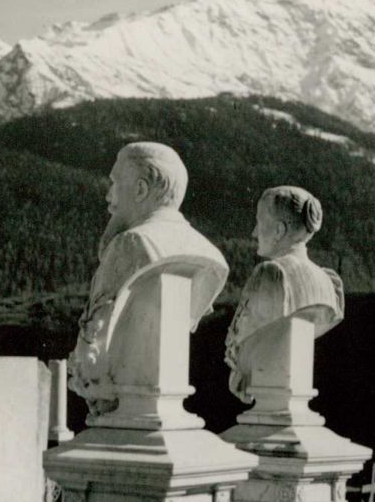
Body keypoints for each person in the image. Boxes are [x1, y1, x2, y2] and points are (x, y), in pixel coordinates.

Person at [69, 141, 227, 407]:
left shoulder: (132, 243)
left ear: (140, 189)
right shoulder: (210, 254)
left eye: (114, 183)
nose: (108, 197)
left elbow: (93, 341)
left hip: (126, 401)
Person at [225, 185, 344, 403]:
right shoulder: (328, 282)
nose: (254, 232)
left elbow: (240, 349)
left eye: (259, 222)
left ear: (279, 231)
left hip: (270, 388)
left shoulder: (272, 274)